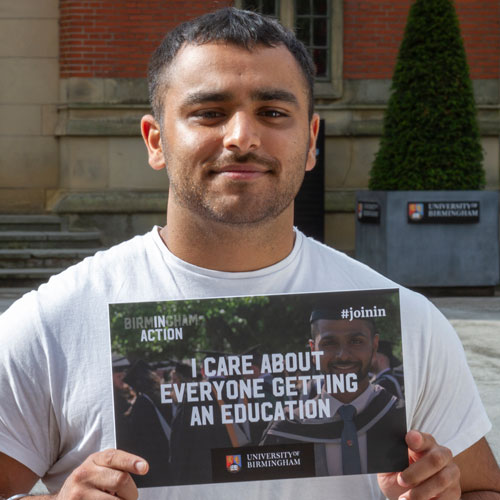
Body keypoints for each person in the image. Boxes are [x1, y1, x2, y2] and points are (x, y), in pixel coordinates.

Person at [0, 7, 499, 500]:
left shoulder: (412, 321)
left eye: (273, 113)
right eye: (209, 113)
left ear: (310, 141)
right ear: (156, 141)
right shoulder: (52, 325)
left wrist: (442, 494)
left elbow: (483, 490)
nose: (242, 137)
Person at [261, 303, 408, 475]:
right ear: (313, 349)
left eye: (356, 341)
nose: (343, 355)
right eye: (329, 343)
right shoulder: (286, 430)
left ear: (374, 345)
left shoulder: (403, 417)